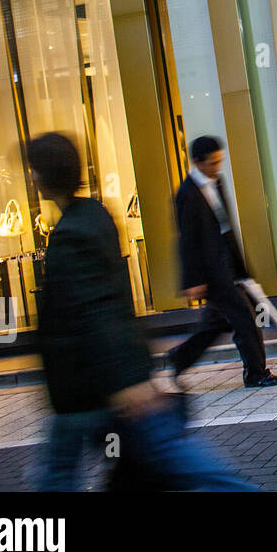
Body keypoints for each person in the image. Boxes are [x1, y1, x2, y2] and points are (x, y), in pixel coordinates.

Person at [28, 132, 255, 491]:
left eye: (33, 171)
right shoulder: (93, 216)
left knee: (160, 454)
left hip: (90, 386)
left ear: (41, 177)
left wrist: (125, 381)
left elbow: (96, 310)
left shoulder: (72, 234)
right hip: (100, 381)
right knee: (159, 453)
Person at [167, 136, 277, 389]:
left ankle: (179, 358)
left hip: (227, 265)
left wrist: (241, 267)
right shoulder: (186, 194)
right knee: (246, 318)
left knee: (217, 322)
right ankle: (255, 374)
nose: (217, 167)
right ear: (197, 162)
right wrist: (194, 280)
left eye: (219, 161)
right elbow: (187, 240)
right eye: (212, 163)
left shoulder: (216, 182)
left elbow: (226, 225)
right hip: (212, 272)